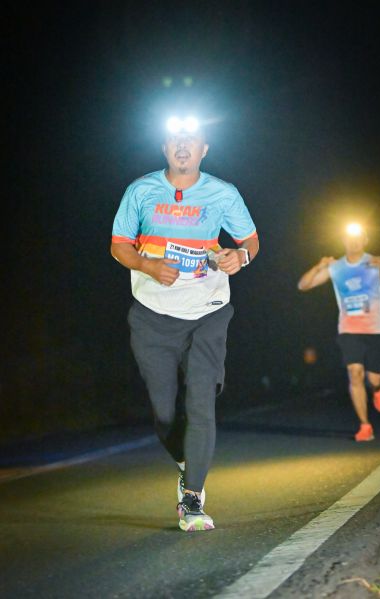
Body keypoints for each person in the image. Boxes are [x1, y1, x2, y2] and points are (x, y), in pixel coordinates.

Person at [110, 116, 259, 531]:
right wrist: (147, 265)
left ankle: (192, 498)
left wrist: (241, 256)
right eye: (175, 138)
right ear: (164, 147)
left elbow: (250, 240)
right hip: (152, 313)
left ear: (203, 149)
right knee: (163, 414)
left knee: (200, 402)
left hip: (208, 310)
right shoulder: (141, 191)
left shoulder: (223, 193)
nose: (182, 145)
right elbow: (119, 246)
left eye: (191, 139)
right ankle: (185, 460)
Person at [297, 224, 380, 441]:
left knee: (374, 378)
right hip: (349, 329)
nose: (353, 242)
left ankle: (378, 389)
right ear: (344, 241)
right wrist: (318, 266)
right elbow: (303, 285)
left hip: (375, 330)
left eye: (357, 238)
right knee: (355, 373)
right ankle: (365, 425)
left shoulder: (374, 262)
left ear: (365, 240)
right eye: (349, 238)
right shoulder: (336, 267)